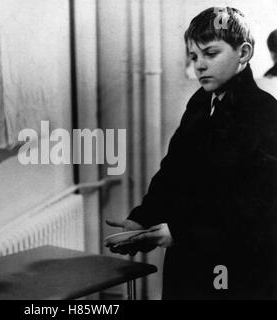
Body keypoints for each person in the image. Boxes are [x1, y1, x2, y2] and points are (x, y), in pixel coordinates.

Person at [106, 6, 277, 299]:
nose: (199, 65)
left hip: (240, 268)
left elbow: (255, 208)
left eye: (210, 54)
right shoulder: (200, 102)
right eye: (194, 56)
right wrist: (143, 219)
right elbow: (173, 170)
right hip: (190, 261)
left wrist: (179, 233)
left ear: (244, 53)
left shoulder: (265, 113)